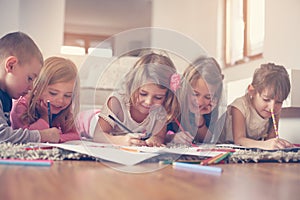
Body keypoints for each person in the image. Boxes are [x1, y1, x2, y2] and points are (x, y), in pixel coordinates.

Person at [89, 52, 180, 146]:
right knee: (90, 120)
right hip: (92, 120)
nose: (149, 102)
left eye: (158, 97)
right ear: (132, 86)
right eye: (143, 94)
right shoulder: (116, 102)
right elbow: (98, 136)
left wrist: (155, 139)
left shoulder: (161, 107)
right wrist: (121, 141)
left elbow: (159, 136)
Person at [0, 31, 60, 143]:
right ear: (11, 65)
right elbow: (2, 137)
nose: (31, 88)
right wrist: (41, 136)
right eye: (30, 78)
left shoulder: (5, 97)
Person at [219, 63, 294, 150]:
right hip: (222, 144)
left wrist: (278, 144)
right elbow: (239, 140)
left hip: (248, 148)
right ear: (252, 91)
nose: (272, 107)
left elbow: (271, 139)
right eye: (266, 99)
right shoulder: (240, 106)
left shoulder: (275, 111)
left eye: (279, 102)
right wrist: (265, 145)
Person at [11, 56, 80, 143]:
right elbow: (26, 138)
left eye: (67, 95)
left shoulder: (65, 111)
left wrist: (58, 138)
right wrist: (44, 118)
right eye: (53, 93)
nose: (60, 101)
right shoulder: (21, 106)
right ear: (37, 88)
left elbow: (76, 135)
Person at [166, 56, 224, 145]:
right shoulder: (173, 98)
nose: (200, 102)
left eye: (208, 97)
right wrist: (172, 137)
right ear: (185, 88)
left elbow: (206, 140)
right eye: (195, 94)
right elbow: (154, 135)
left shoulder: (209, 106)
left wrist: (199, 117)